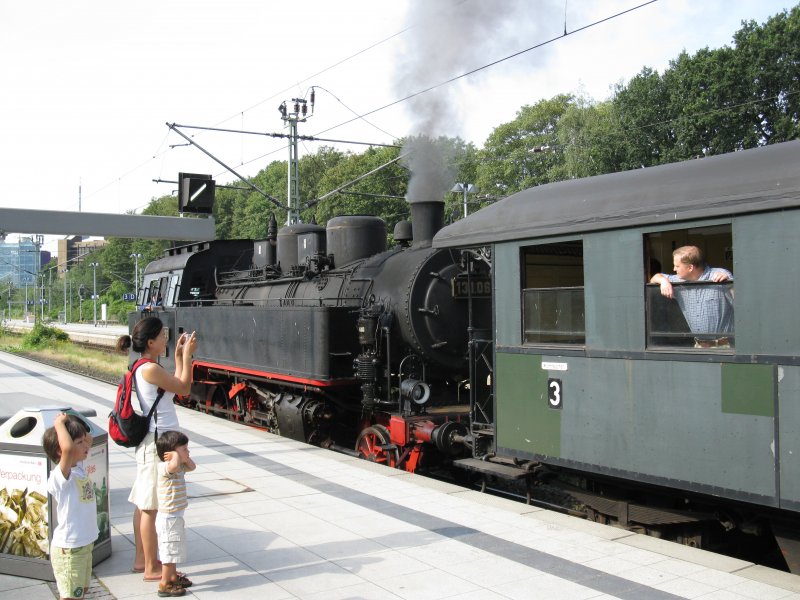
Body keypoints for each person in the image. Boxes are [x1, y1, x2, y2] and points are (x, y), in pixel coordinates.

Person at [116, 317, 197, 583]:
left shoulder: (146, 366)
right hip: (158, 444)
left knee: (144, 505)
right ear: (150, 342)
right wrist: (188, 356)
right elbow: (184, 387)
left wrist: (178, 357)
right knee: (150, 509)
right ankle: (151, 566)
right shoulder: (149, 369)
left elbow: (171, 390)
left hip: (155, 441)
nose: (166, 338)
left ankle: (143, 559)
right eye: (162, 336)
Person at [42, 413, 99, 600]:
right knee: (70, 597)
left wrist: (73, 419)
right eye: (80, 443)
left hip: (84, 547)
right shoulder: (60, 478)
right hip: (70, 551)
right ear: (60, 451)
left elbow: (87, 438)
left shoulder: (78, 467)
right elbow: (67, 447)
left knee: (79, 594)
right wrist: (59, 423)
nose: (86, 445)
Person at [649, 245, 734, 347]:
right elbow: (654, 277)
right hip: (698, 346)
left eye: (677, 266)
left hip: (724, 346)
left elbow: (741, 303)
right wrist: (663, 281)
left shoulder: (719, 275)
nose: (674, 269)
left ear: (690, 267)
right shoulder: (679, 280)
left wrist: (729, 284)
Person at [154, 430, 196, 597]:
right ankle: (165, 584)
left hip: (175, 518)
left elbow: (193, 466)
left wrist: (182, 456)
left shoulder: (179, 466)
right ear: (170, 454)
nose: (188, 452)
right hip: (168, 519)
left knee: (174, 551)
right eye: (184, 449)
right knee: (169, 554)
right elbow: (172, 465)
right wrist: (174, 457)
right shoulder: (165, 467)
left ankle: (172, 577)